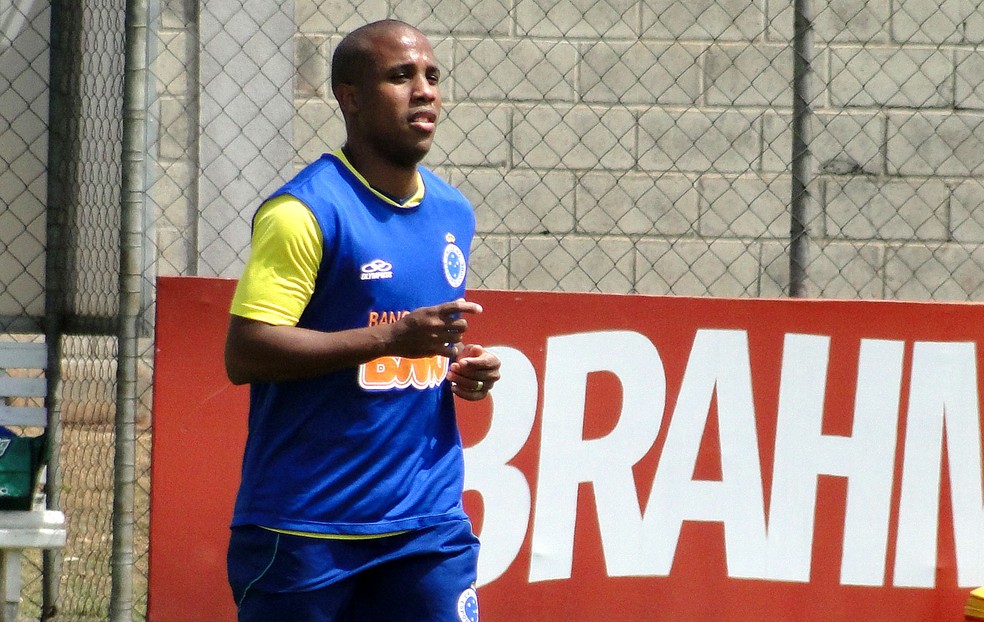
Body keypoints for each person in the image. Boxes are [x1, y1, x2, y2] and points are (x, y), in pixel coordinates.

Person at [223, 19, 500, 622]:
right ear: (349, 96)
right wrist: (395, 337)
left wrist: (461, 366)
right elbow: (247, 352)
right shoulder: (303, 212)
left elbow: (418, 338)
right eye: (401, 76)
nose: (424, 90)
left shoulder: (453, 211)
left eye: (431, 75)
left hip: (426, 523)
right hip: (306, 526)